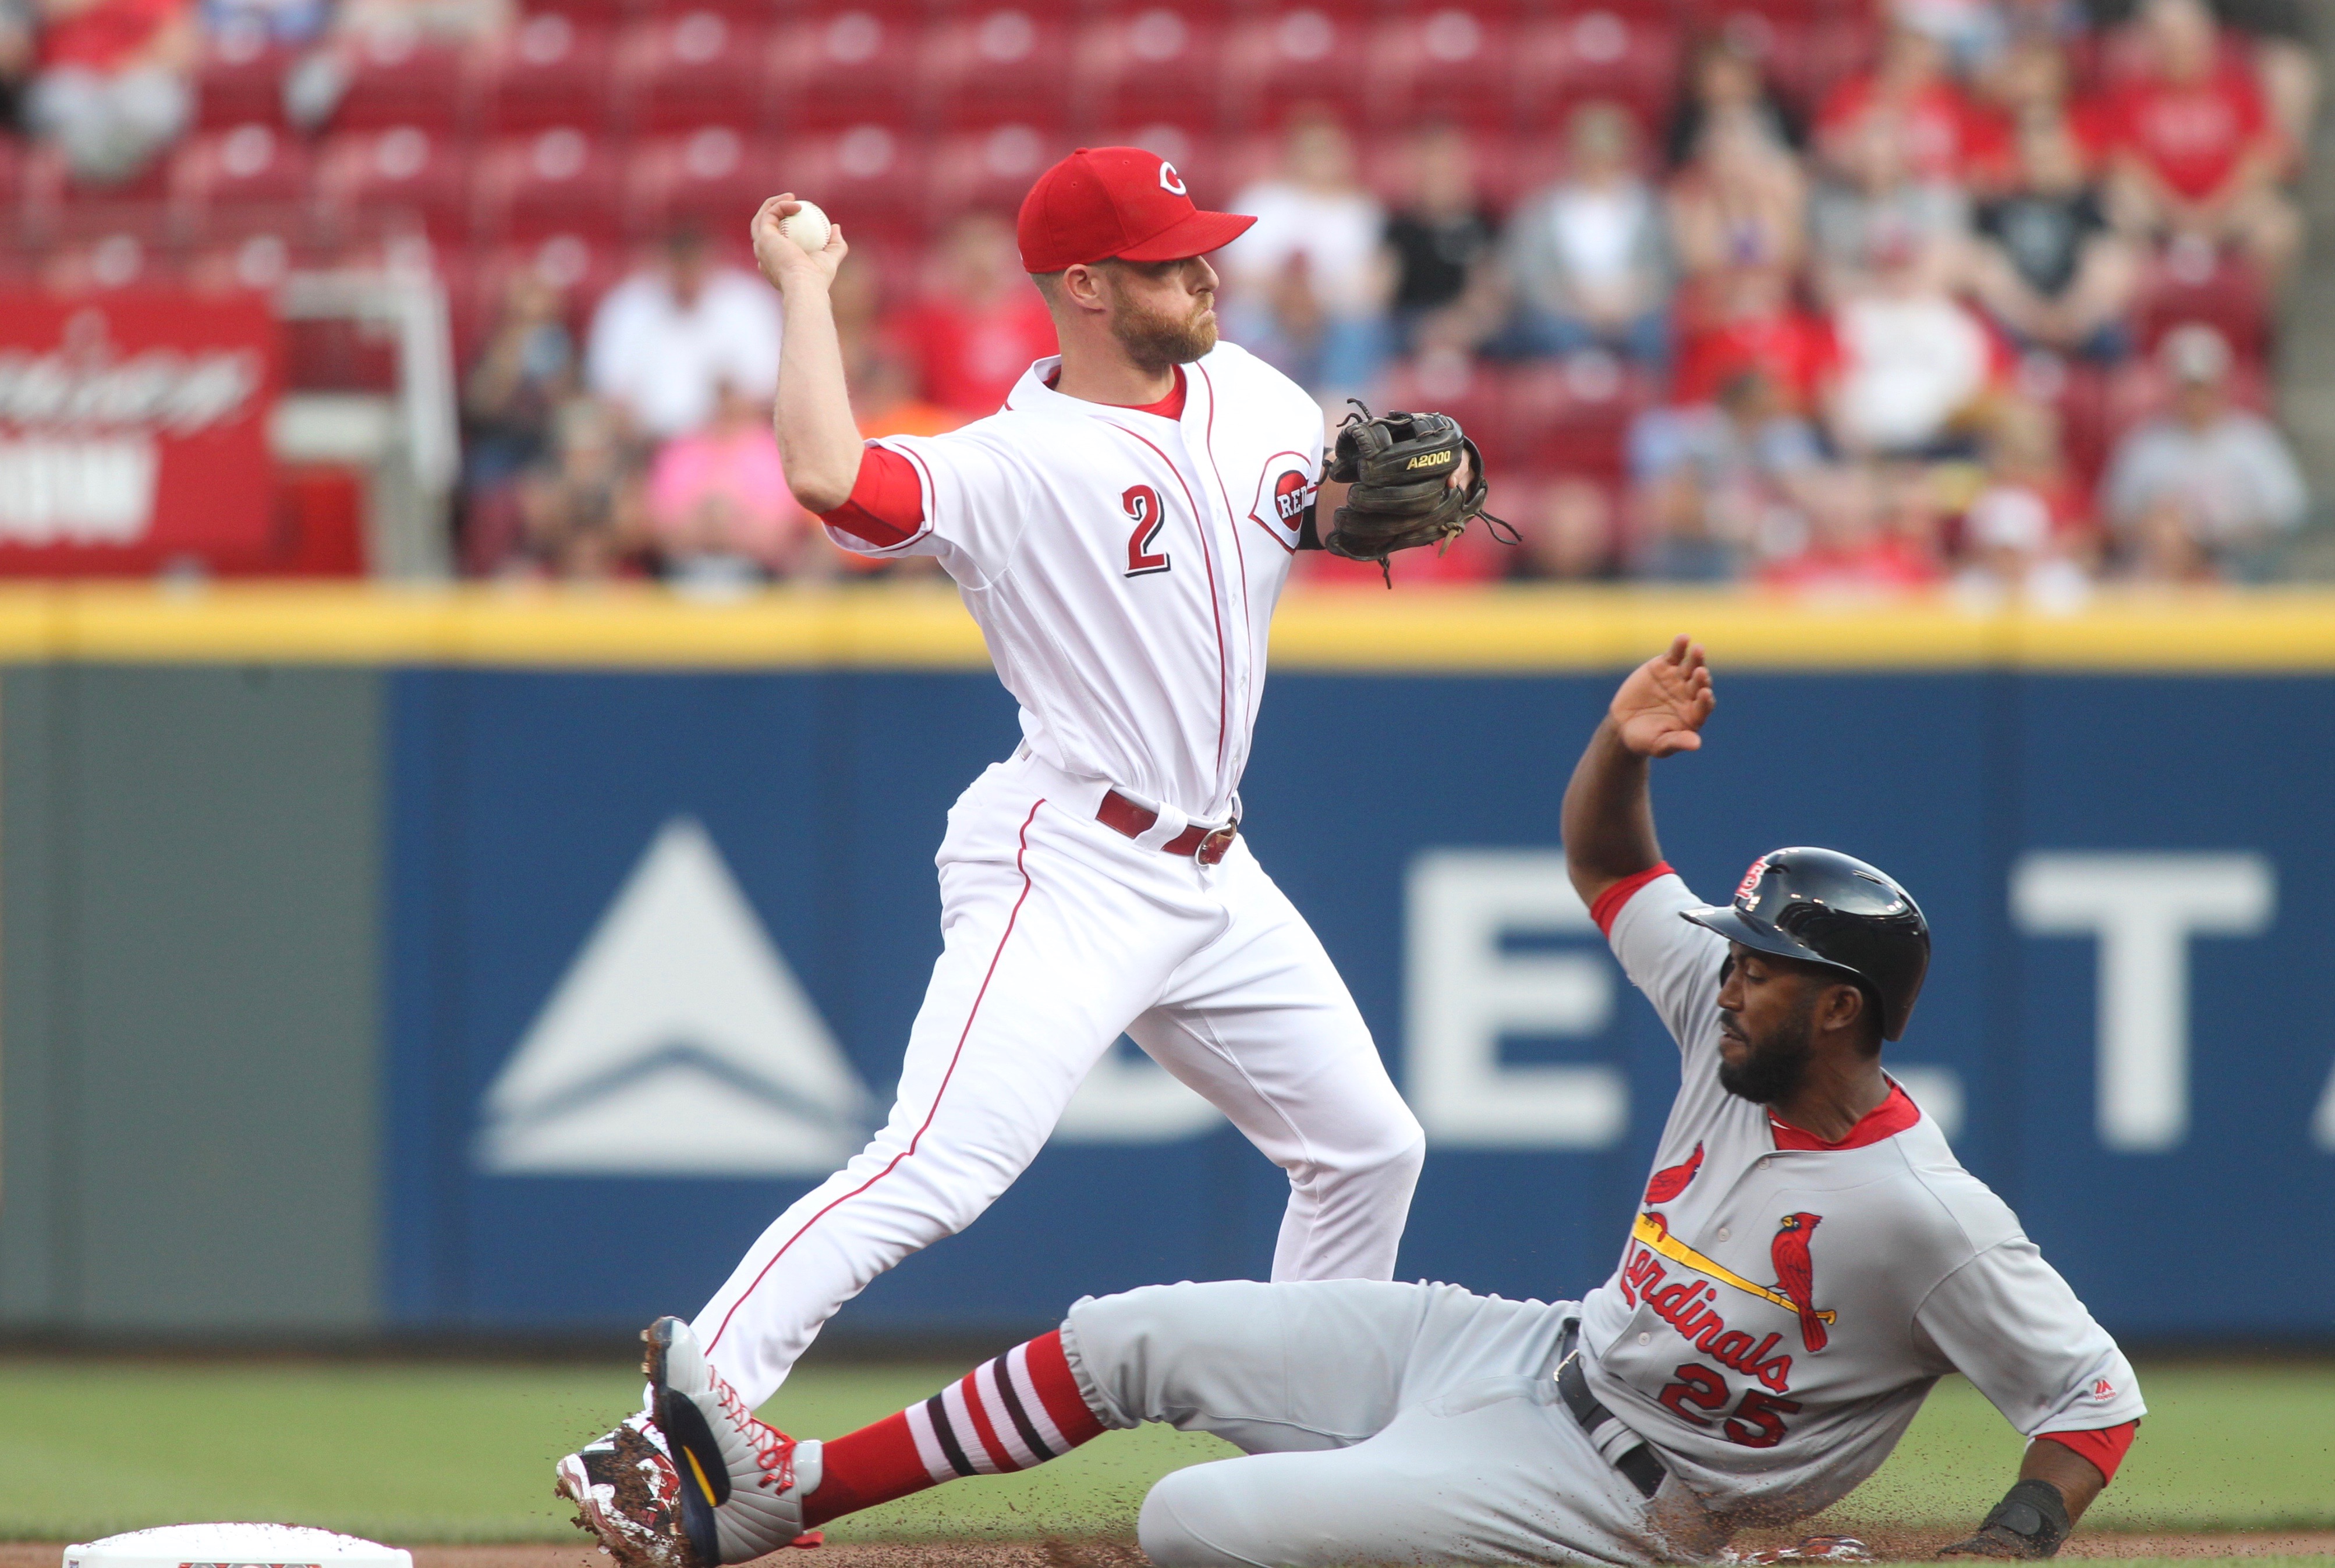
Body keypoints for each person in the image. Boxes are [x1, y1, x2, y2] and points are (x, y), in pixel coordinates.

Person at [618, 637, 2146, 1568]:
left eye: (1760, 966)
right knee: (1116, 1335)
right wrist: (1619, 745)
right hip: (1529, 1346)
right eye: (1733, 956)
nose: (1724, 975)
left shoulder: (1920, 1208)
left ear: (1839, 1006)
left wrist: (2012, 1538)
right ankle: (784, 1495)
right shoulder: (1721, 1019)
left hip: (1626, 1496)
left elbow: (2091, 1399)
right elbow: (1612, 861)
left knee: (1190, 1528)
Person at [557, 146, 1492, 1567]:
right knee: (942, 1158)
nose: (1208, 273)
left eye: (1202, 248)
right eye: (1174, 260)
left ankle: (1298, 1477)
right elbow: (823, 471)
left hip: (1214, 873)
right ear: (1086, 287)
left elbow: (1307, 510)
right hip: (1073, 856)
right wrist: (806, 285)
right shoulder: (1012, 462)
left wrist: (1363, 511)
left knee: (1368, 1145)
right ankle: (664, 1436)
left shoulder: (1258, 394)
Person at [2093, 0, 2299, 284]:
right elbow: (2124, 164)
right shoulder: (2131, 93)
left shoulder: (2238, 87)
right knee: (2122, 205)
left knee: (2278, 227)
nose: (2178, 45)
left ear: (2207, 36)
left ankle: (2257, 322)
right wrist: (2177, 213)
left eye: (2185, 34)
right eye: (2166, 36)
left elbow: (2262, 157)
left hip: (2230, 209)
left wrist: (2214, 212)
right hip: (2159, 214)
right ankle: (2147, 318)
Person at [2099, 322, 2306, 575]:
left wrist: (2224, 530)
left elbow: (2288, 511)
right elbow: (2115, 515)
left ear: (2222, 385)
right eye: (2189, 388)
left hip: (2241, 561)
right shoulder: (2146, 445)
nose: (2196, 398)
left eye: (2203, 387)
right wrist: (2163, 524)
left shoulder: (2254, 440)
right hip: (2164, 566)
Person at [1218, 109, 1394, 395]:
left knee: (1362, 328)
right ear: (1291, 154)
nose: (1319, 161)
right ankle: (1260, 407)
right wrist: (1289, 296)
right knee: (1240, 322)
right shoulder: (1262, 202)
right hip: (1268, 314)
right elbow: (1236, 275)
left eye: (1328, 152)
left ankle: (1340, 414)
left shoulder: (1359, 211)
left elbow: (1375, 283)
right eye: (1311, 151)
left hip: (1335, 319)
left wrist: (1318, 300)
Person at [1502, 100, 1672, 366]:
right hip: (1564, 313)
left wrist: (1629, 301)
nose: (1599, 163)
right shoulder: (1544, 210)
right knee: (1550, 333)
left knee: (1654, 335)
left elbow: (1666, 270)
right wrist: (1575, 303)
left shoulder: (1648, 209)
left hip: (1633, 312)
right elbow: (1528, 274)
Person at [586, 225, 783, 444]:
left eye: (693, 264)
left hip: (727, 442)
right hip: (642, 444)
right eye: (679, 265)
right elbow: (609, 394)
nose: (686, 274)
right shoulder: (627, 305)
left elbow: (765, 392)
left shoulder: (749, 303)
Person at [1968, 111, 2139, 357]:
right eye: (2032, 156)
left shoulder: (2087, 202)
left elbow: (2110, 263)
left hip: (2080, 322)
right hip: (2016, 323)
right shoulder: (1998, 204)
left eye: (2048, 156)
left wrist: (2071, 317)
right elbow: (1982, 266)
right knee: (1983, 261)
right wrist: (2033, 318)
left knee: (2113, 258)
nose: (2040, 164)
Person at [882, 210, 1059, 421]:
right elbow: (896, 397)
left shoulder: (1049, 320)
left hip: (1029, 432)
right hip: (948, 436)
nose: (980, 255)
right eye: (968, 245)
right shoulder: (922, 324)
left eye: (989, 243)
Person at [23, 0, 197, 186]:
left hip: (131, 80)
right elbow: (45, 11)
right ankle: (99, 177)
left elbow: (181, 50)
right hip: (70, 81)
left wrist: (120, 67)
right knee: (61, 102)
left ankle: (115, 176)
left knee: (153, 103)